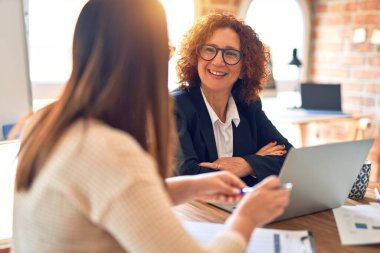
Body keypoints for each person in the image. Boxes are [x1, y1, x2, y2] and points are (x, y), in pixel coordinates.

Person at [12, 1, 290, 252]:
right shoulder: (111, 151)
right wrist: (247, 217)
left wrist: (191, 187)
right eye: (165, 50)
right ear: (144, 59)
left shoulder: (44, 123)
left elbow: (111, 197)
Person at [173, 13, 293, 186]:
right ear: (195, 56)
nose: (218, 61)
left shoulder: (248, 104)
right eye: (209, 49)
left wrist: (246, 164)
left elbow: (288, 157)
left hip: (242, 206)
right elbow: (186, 174)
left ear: (245, 67)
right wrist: (257, 161)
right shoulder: (176, 106)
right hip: (197, 210)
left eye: (230, 54)